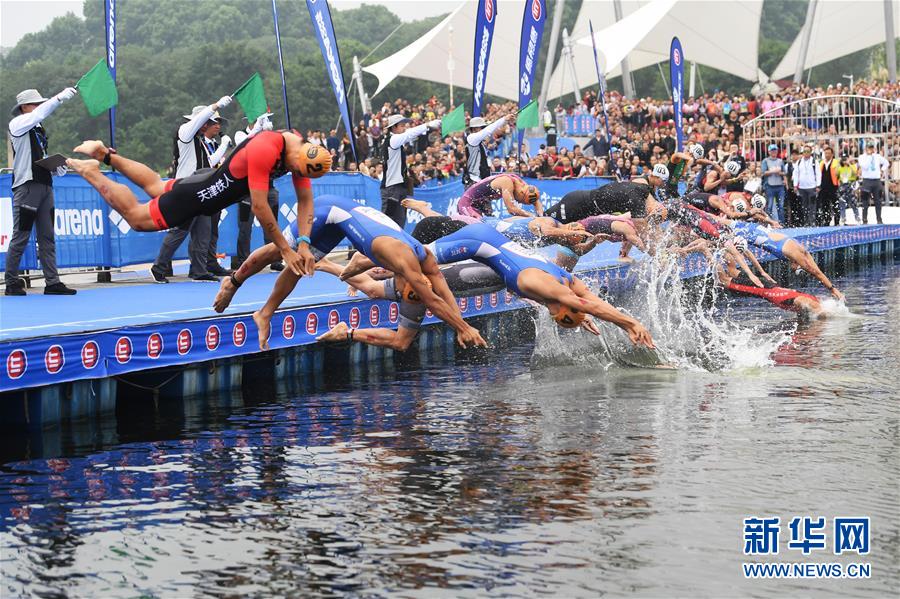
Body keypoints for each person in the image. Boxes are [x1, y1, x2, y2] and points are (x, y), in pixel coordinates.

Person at [211, 195, 486, 351]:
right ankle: (233, 282)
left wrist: (463, 325)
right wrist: (463, 328)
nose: (407, 298)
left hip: (349, 223)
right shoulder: (403, 262)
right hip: (330, 210)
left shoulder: (424, 258)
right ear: (405, 283)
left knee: (301, 265)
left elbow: (442, 294)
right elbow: (434, 302)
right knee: (278, 251)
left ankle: (265, 313)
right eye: (411, 295)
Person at [67, 128, 331, 278]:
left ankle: (104, 154)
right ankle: (92, 171)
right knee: (137, 218)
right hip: (198, 196)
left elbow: (305, 200)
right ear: (297, 156)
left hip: (203, 183)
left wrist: (305, 242)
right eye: (297, 170)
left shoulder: (301, 152)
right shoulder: (266, 148)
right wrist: (286, 249)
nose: (296, 175)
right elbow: (260, 207)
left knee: (156, 186)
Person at [5, 87, 79, 296]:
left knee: (47, 236)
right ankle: (11, 282)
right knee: (21, 235)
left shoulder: (38, 128)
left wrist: (57, 169)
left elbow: (40, 156)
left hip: (45, 183)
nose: (39, 106)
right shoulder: (18, 123)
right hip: (27, 185)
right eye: (36, 103)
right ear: (24, 107)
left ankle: (52, 282)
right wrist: (58, 98)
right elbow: (40, 113)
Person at [150, 100, 234, 282]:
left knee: (203, 232)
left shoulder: (199, 140)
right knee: (180, 231)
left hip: (200, 190)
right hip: (185, 190)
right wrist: (216, 105)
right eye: (208, 122)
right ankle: (159, 266)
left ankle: (198, 269)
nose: (209, 126)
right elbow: (199, 120)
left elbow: (210, 162)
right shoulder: (185, 133)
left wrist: (223, 146)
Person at [233, 113, 283, 271]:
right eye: (259, 119)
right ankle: (243, 260)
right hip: (247, 190)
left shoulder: (267, 137)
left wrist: (271, 136)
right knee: (245, 226)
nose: (262, 122)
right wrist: (258, 130)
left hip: (268, 187)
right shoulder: (240, 134)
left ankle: (274, 258)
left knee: (272, 225)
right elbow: (245, 146)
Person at [380, 114, 441, 227]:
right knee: (389, 223)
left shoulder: (395, 141)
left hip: (398, 186)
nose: (405, 128)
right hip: (392, 188)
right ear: (394, 127)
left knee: (399, 222)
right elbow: (409, 134)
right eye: (402, 125)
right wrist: (427, 125)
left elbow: (410, 135)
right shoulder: (392, 139)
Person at [463, 112, 515, 189]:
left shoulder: (480, 143)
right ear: (475, 128)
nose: (483, 129)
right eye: (482, 127)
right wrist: (504, 119)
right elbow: (488, 130)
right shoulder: (472, 138)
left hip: (482, 179)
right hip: (474, 181)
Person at [455, 173, 542, 219]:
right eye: (520, 201)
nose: (518, 202)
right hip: (466, 204)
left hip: (482, 203)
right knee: (480, 228)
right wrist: (533, 216)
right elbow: (512, 210)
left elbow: (536, 201)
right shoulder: (507, 182)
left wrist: (541, 216)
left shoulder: (523, 186)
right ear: (521, 194)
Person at [858, 141, 889, 224]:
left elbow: (886, 163)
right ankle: (864, 220)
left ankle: (879, 219)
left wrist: (882, 170)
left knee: (878, 201)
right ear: (866, 148)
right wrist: (869, 156)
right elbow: (865, 166)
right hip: (866, 181)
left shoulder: (878, 156)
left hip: (876, 181)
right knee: (865, 202)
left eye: (872, 147)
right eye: (869, 147)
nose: (870, 149)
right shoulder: (861, 157)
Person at [792, 146, 820, 227]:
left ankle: (812, 222)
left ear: (811, 152)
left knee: (812, 206)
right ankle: (806, 222)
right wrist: (795, 185)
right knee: (804, 206)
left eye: (808, 151)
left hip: (812, 186)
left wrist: (818, 185)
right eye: (804, 151)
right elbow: (796, 174)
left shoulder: (814, 161)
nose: (806, 153)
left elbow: (818, 174)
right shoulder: (799, 162)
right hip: (802, 187)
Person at [760, 144, 786, 223]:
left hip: (779, 185)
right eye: (772, 150)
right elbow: (763, 172)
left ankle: (782, 223)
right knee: (770, 206)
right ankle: (770, 223)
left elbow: (784, 172)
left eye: (775, 150)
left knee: (781, 206)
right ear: (769, 152)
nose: (774, 152)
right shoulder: (765, 161)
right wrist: (773, 171)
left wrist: (780, 173)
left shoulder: (780, 161)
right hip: (770, 186)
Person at [817, 146, 840, 226]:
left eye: (829, 153)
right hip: (823, 188)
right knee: (825, 206)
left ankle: (837, 222)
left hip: (833, 187)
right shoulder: (821, 163)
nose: (827, 155)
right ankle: (827, 221)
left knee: (835, 205)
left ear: (832, 154)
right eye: (826, 153)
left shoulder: (836, 162)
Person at [836, 155, 861, 226]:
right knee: (842, 203)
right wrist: (839, 164)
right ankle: (843, 218)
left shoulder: (852, 166)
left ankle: (857, 218)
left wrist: (849, 164)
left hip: (850, 185)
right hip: (842, 185)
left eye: (845, 159)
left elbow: (855, 174)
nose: (845, 161)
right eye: (843, 160)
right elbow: (836, 174)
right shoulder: (840, 168)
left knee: (853, 203)